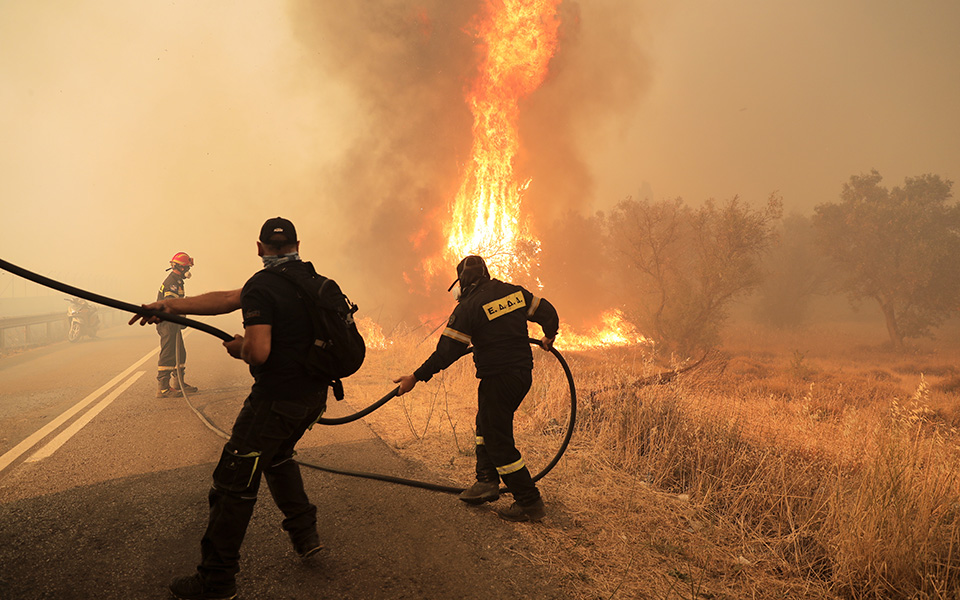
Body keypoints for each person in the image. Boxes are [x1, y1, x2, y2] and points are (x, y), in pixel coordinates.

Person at [130, 217, 327, 600]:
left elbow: (259, 351)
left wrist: (240, 348)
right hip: (313, 398)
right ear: (298, 246)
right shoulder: (313, 281)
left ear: (259, 248)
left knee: (232, 481)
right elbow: (224, 299)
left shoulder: (264, 285)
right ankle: (306, 535)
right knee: (278, 457)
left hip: (276, 400)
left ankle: (216, 581)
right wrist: (168, 306)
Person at [393, 255, 560, 523]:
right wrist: (549, 335)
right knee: (485, 423)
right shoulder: (513, 292)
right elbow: (548, 312)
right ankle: (486, 481)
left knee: (497, 439)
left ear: (463, 281)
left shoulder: (468, 308)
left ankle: (529, 501)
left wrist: (415, 377)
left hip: (498, 378)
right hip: (521, 375)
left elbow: (446, 353)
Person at [156, 252, 199, 397]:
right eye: (187, 267)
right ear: (181, 268)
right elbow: (171, 305)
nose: (188, 270)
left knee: (180, 352)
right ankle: (163, 388)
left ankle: (178, 382)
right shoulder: (172, 283)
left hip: (172, 322)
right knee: (168, 353)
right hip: (167, 323)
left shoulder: (178, 281)